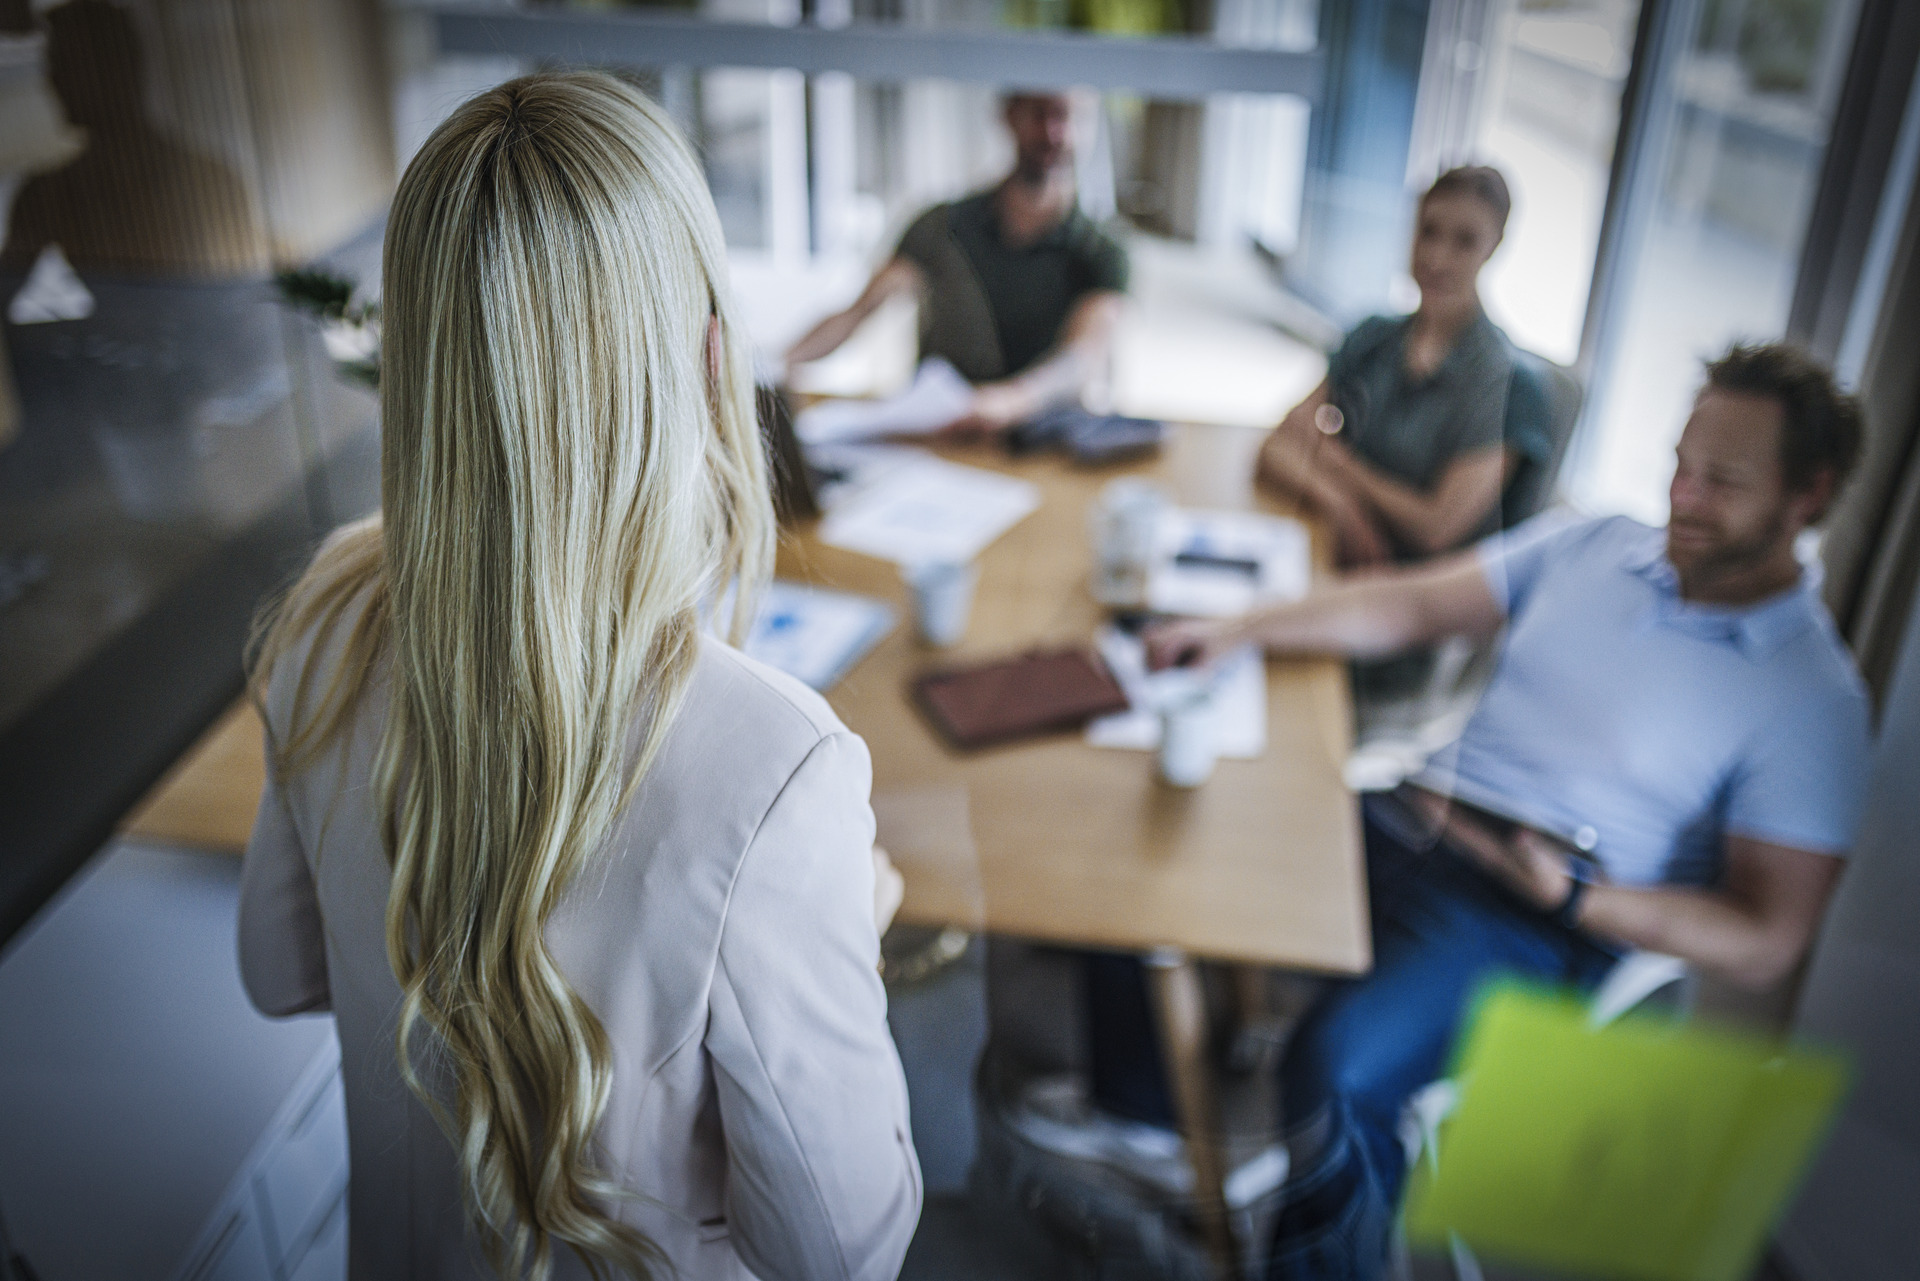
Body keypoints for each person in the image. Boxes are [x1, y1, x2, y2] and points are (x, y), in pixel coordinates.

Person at [237, 73, 921, 1281]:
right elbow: (839, 1248)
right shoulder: (778, 775)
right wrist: (847, 928)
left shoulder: (325, 616)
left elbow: (277, 972)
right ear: (710, 361)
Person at [1090, 343, 1872, 1279]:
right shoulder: (1598, 544)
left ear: (1809, 496)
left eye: (1723, 482)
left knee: (1335, 1075)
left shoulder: (1810, 699)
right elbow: (1407, 607)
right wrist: (1231, 632)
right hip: (1418, 817)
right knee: (1146, 850)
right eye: (1680, 463)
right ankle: (1157, 1137)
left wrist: (1583, 896)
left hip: (1537, 917)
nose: (1683, 497)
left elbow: (1768, 936)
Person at [783, 91, 1127, 434]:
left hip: (1044, 444)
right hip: (944, 437)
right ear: (1010, 116)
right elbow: (855, 314)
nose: (1055, 133)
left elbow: (1083, 358)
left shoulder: (1101, 248)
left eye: (1068, 117)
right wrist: (778, 364)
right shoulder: (943, 226)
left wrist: (1012, 400)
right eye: (1040, 115)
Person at [1258, 166, 1543, 571]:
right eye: (1428, 231)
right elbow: (1278, 448)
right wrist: (1342, 507)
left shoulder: (1511, 386)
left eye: (1464, 241)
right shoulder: (1374, 337)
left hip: (1423, 596)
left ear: (1494, 247)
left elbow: (1435, 529)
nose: (1437, 257)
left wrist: (1341, 466)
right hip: (1338, 554)